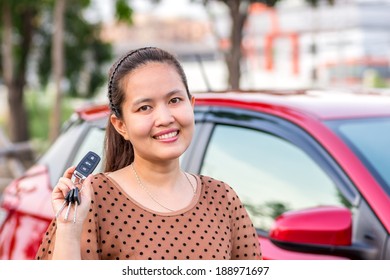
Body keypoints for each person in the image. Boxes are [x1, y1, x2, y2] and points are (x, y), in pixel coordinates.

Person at [35, 47, 262, 260]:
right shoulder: (90, 199)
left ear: (191, 105)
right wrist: (68, 228)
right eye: (145, 107)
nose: (164, 118)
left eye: (174, 100)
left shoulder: (222, 199)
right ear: (121, 125)